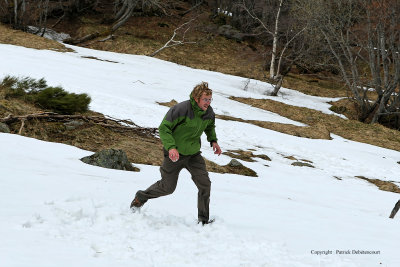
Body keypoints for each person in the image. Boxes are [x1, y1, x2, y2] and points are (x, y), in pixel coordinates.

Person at [130, 81, 222, 225]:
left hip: (193, 155)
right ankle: (141, 197)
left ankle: (203, 220)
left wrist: (213, 141)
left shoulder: (208, 112)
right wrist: (171, 147)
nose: (208, 103)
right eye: (205, 99)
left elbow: (209, 127)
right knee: (168, 188)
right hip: (174, 154)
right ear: (196, 98)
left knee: (204, 184)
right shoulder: (181, 109)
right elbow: (164, 128)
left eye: (210, 99)